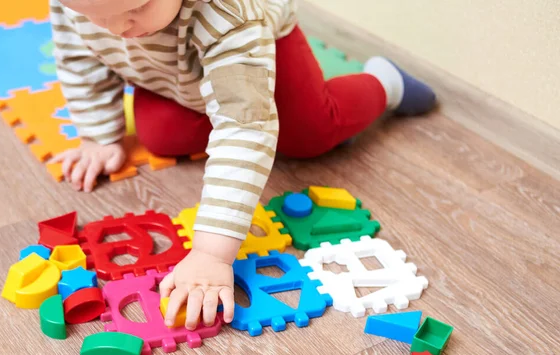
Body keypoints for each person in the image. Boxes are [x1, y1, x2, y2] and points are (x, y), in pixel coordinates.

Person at [49, 0, 436, 331]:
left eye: (137, 7)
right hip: (173, 71)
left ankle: (385, 83)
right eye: (95, 17)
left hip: (259, 51)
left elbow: (244, 125)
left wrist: (211, 253)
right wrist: (98, 134)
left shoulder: (227, 13)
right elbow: (80, 58)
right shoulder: (90, 8)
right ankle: (212, 92)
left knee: (309, 135)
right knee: (161, 134)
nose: (117, 28)